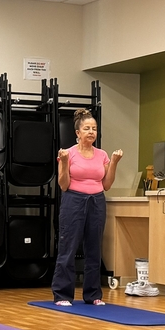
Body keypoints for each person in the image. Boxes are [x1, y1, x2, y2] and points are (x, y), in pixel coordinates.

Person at [52, 109, 123, 306]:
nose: (91, 132)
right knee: (69, 246)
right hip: (73, 200)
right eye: (87, 128)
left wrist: (115, 163)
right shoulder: (68, 153)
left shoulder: (102, 155)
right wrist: (65, 162)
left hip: (97, 201)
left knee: (94, 248)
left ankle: (93, 295)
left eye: (94, 129)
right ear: (78, 133)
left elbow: (107, 184)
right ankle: (62, 294)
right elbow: (63, 185)